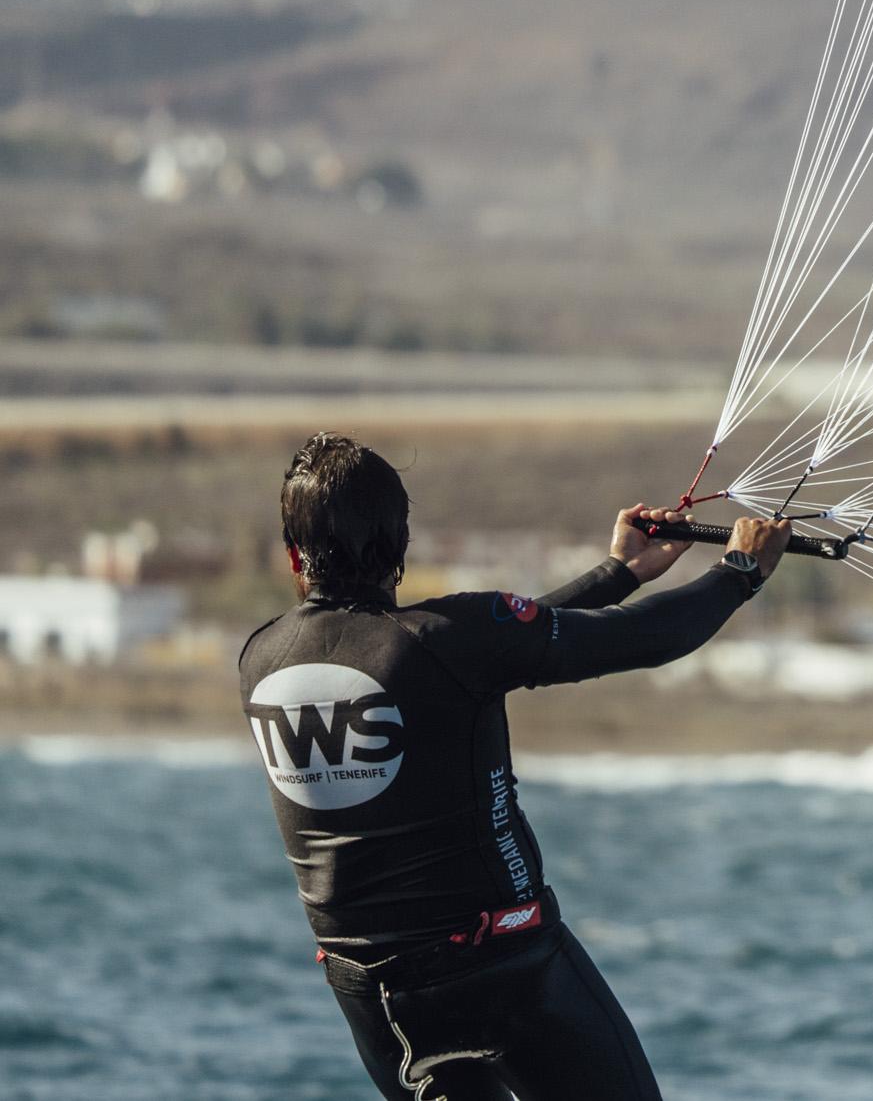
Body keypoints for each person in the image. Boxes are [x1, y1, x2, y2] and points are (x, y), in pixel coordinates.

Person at [238, 431, 790, 1099]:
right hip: (503, 973)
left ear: (295, 554)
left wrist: (618, 573)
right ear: (400, 546)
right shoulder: (448, 642)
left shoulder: (262, 659)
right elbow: (637, 638)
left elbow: (469, 658)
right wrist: (739, 573)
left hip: (378, 1004)